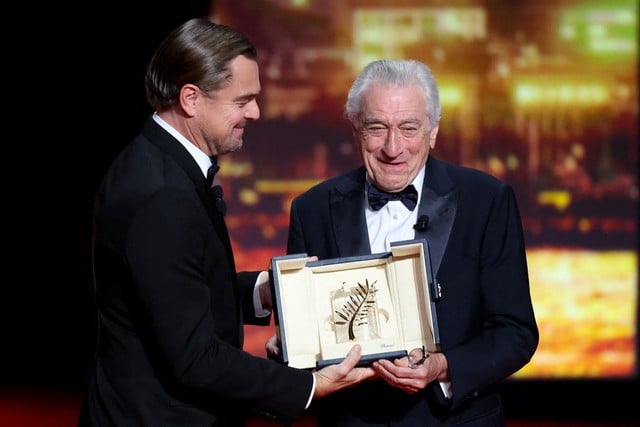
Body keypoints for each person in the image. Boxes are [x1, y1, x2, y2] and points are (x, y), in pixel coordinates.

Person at [78, 17, 375, 427]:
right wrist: (308, 386)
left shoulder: (159, 164)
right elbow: (196, 356)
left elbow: (175, 290)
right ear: (190, 98)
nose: (255, 112)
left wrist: (263, 291)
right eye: (242, 100)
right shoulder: (162, 194)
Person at [268, 59, 539, 426]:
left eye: (409, 128)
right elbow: (305, 336)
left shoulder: (487, 200)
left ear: (433, 131)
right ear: (356, 130)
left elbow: (515, 333)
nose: (393, 147)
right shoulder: (311, 209)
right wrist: (290, 349)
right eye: (377, 128)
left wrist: (444, 367)